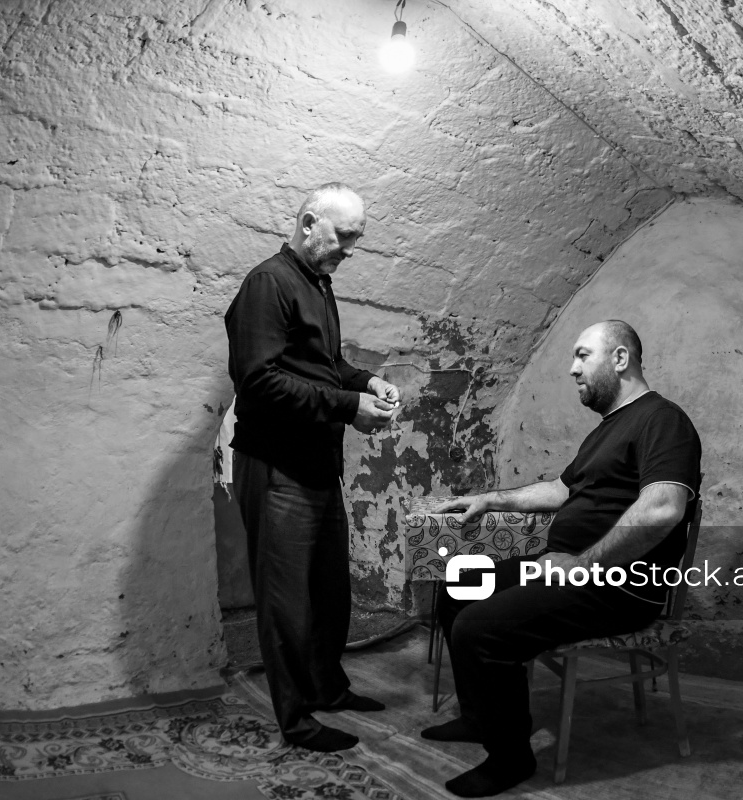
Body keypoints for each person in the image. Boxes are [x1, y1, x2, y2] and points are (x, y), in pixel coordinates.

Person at [425, 320, 702, 797]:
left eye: (582, 355)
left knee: (479, 628)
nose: (572, 368)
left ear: (620, 359)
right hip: (569, 568)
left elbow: (664, 508)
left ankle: (510, 758)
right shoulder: (607, 430)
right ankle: (481, 718)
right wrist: (490, 499)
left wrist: (584, 564)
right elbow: (560, 489)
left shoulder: (663, 419)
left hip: (617, 585)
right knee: (457, 586)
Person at [224, 183, 400, 752]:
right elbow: (258, 381)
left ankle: (327, 687)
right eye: (343, 236)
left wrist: (365, 381)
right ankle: (296, 720)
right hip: (277, 467)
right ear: (307, 223)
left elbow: (325, 366)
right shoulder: (268, 284)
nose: (350, 249)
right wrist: (349, 406)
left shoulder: (318, 284)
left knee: (328, 592)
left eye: (356, 238)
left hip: (318, 467)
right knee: (286, 604)